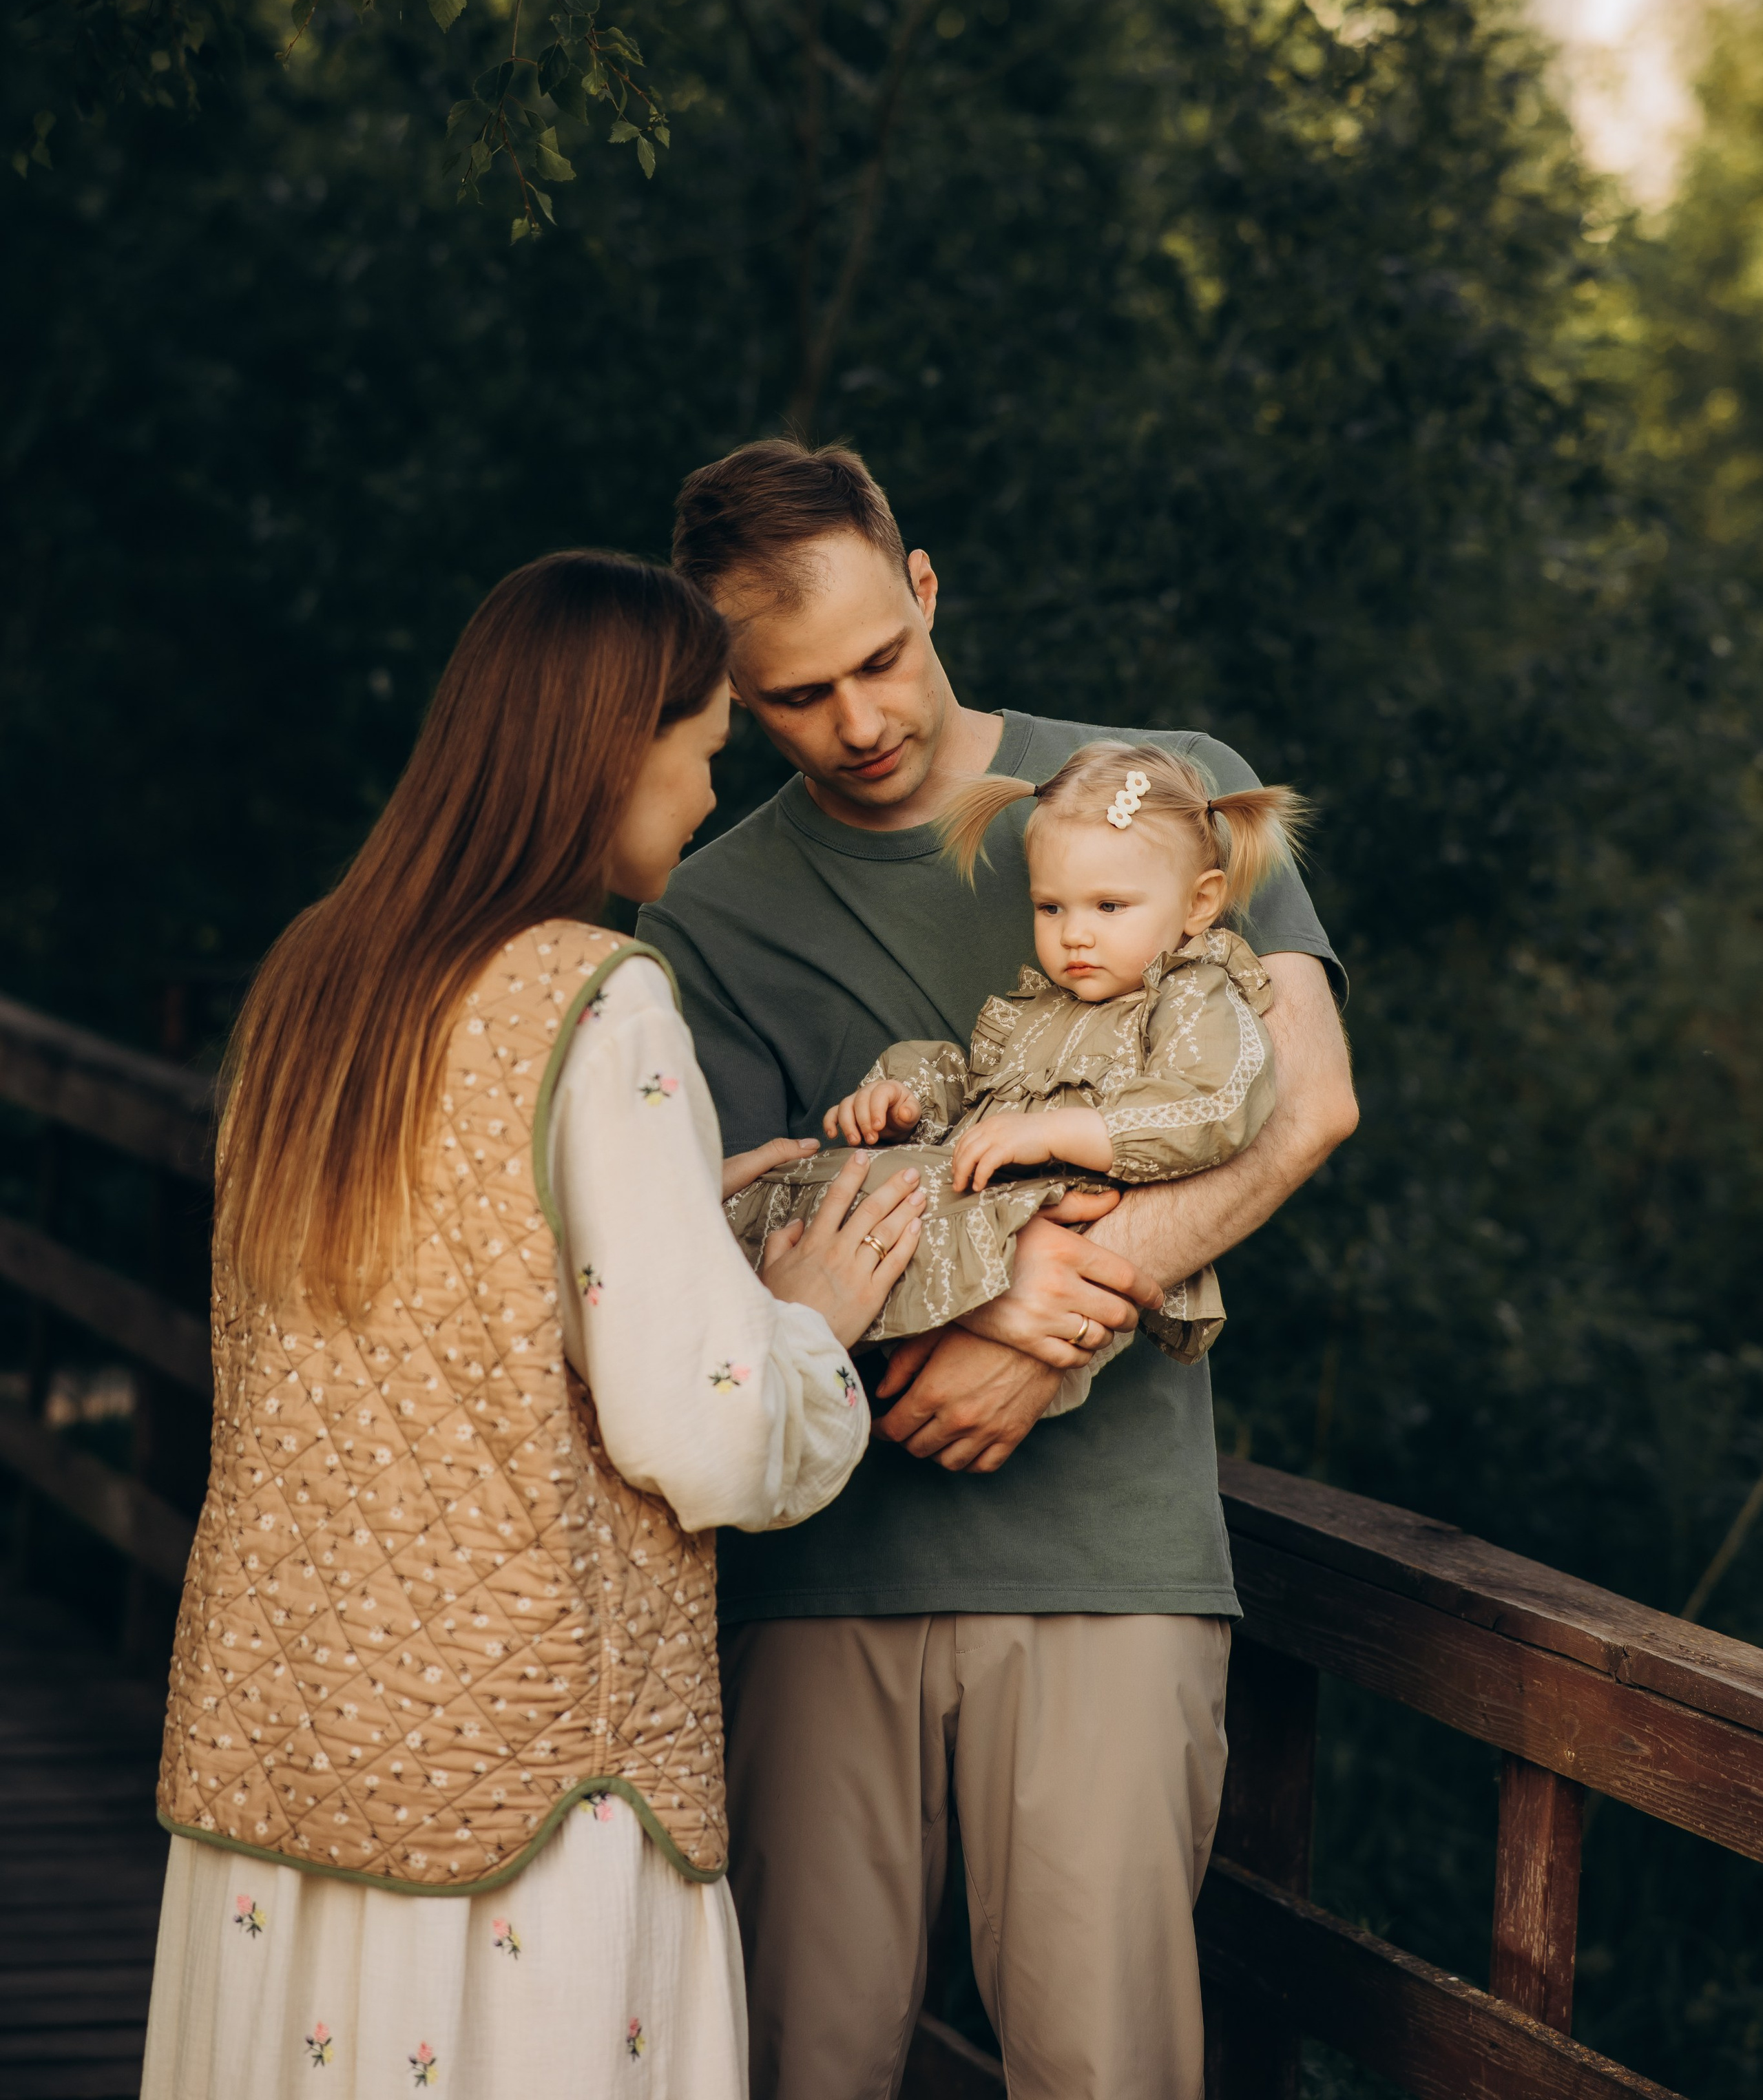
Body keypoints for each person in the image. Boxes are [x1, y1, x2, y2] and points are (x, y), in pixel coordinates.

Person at [141, 549, 926, 2100]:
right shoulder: (601, 997)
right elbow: (698, 1429)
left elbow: (429, 1277)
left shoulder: (315, 981)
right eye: (702, 750)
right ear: (611, 746)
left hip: (288, 1751)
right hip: (527, 1782)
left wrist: (668, 1201)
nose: (706, 800)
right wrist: (803, 1325)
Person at [638, 441, 1359, 2100]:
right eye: (797, 694)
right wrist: (975, 1291)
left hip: (1110, 1561)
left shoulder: (1169, 791)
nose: (862, 719)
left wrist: (1048, 1332)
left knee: (1100, 2066)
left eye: (881, 655)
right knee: (789, 2066)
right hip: (818, 1577)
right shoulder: (705, 908)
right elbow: (738, 1237)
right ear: (731, 695)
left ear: (927, 586)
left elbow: (1303, 1099)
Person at [727, 740, 1309, 1405]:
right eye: (1051, 907)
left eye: (1109, 907)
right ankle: (772, 1321)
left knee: (882, 1197)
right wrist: (901, 1098)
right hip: (999, 1216)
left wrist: (1063, 1131)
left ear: (1200, 903)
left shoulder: (1191, 992)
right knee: (834, 1180)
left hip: (1076, 1243)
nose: (1075, 935)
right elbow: (973, 1088)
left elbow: (1216, 1104)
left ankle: (786, 1342)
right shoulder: (1041, 1011)